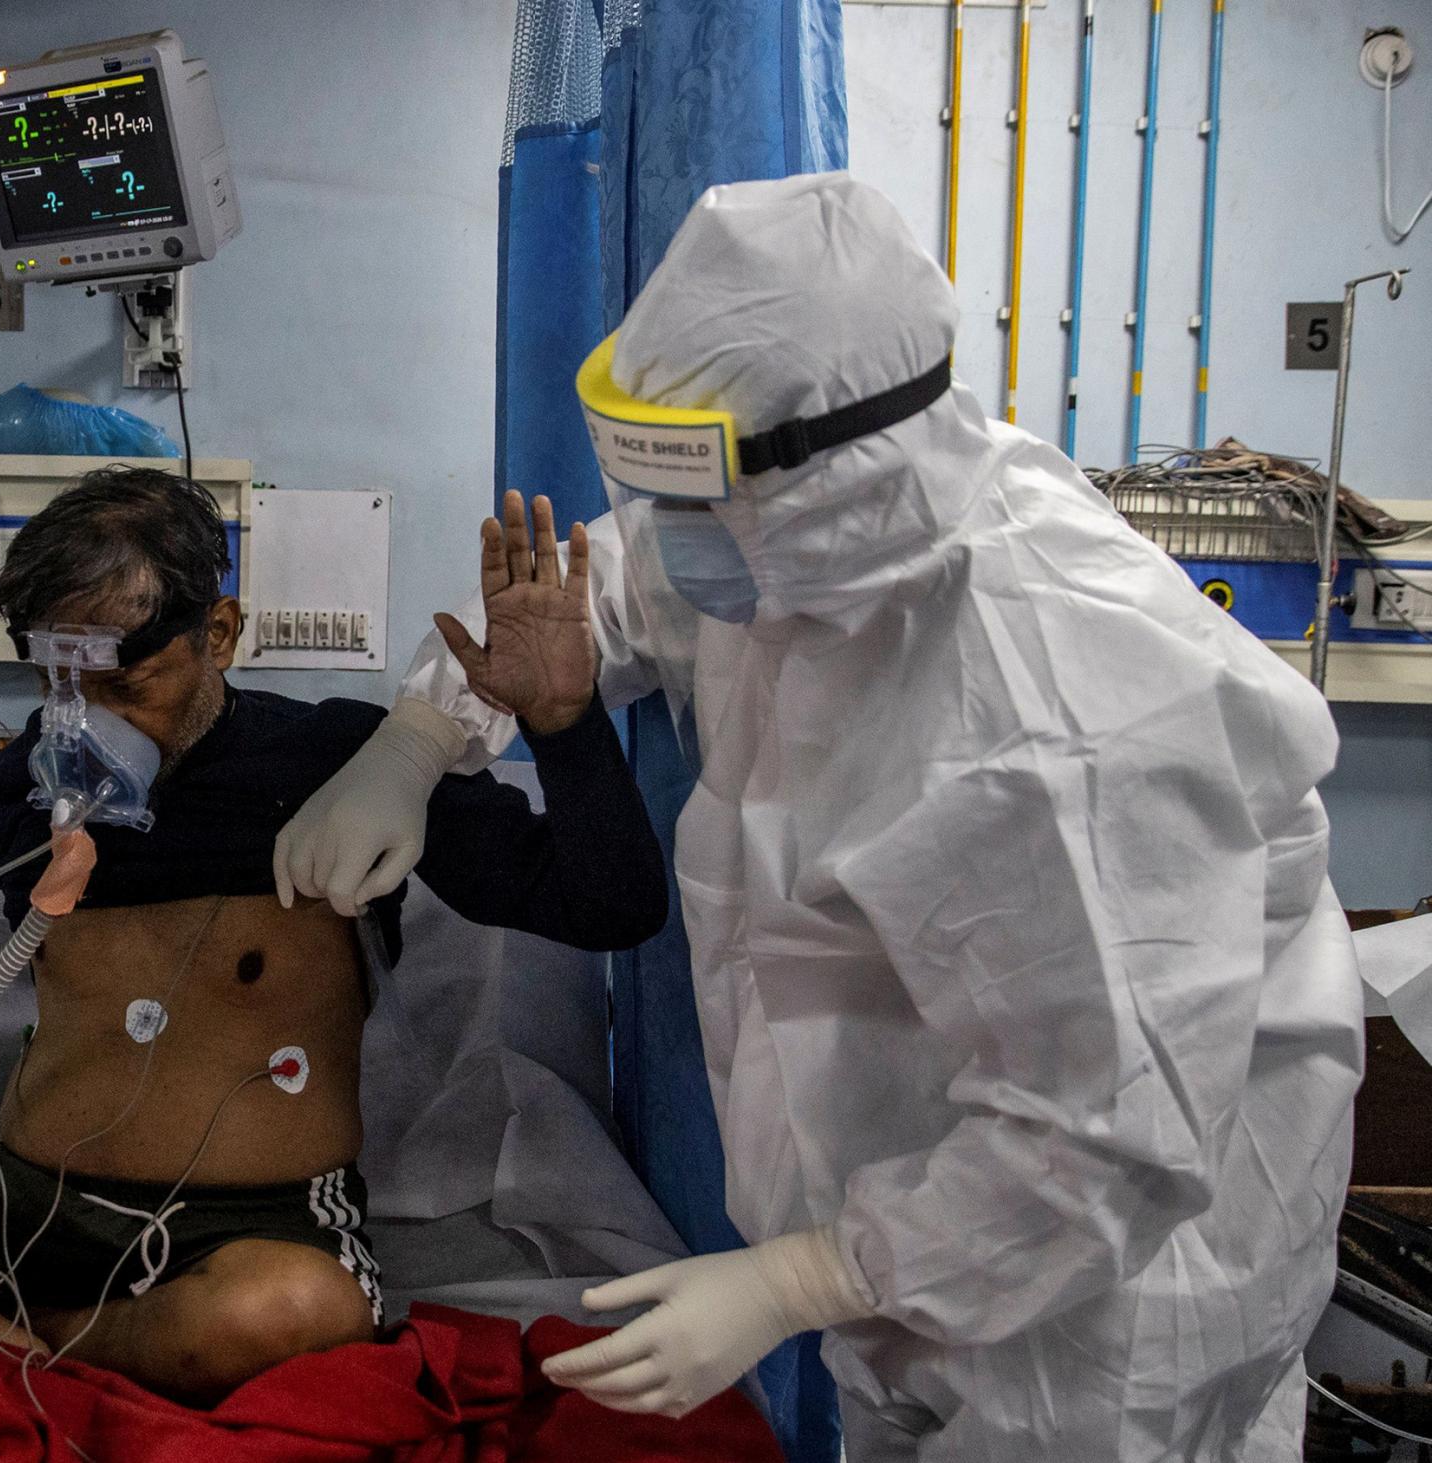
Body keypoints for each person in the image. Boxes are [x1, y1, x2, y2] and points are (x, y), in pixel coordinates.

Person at [272, 173, 1364, 1459]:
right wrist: (420, 733)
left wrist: (795, 1281)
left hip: (1104, 1306)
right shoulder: (787, 544)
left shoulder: (1059, 716)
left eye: (687, 488)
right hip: (893, 1233)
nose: (661, 529)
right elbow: (611, 593)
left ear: (829, 470)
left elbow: (1104, 1139)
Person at [0, 465, 669, 1404]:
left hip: (242, 1231)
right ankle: (51, 1343)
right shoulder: (45, 774)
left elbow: (607, 905)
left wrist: (562, 718)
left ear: (221, 632)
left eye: (126, 682)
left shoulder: (345, 764)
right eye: (59, 684)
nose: (86, 721)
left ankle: (16, 1343)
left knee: (295, 1308)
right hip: (17, 1204)